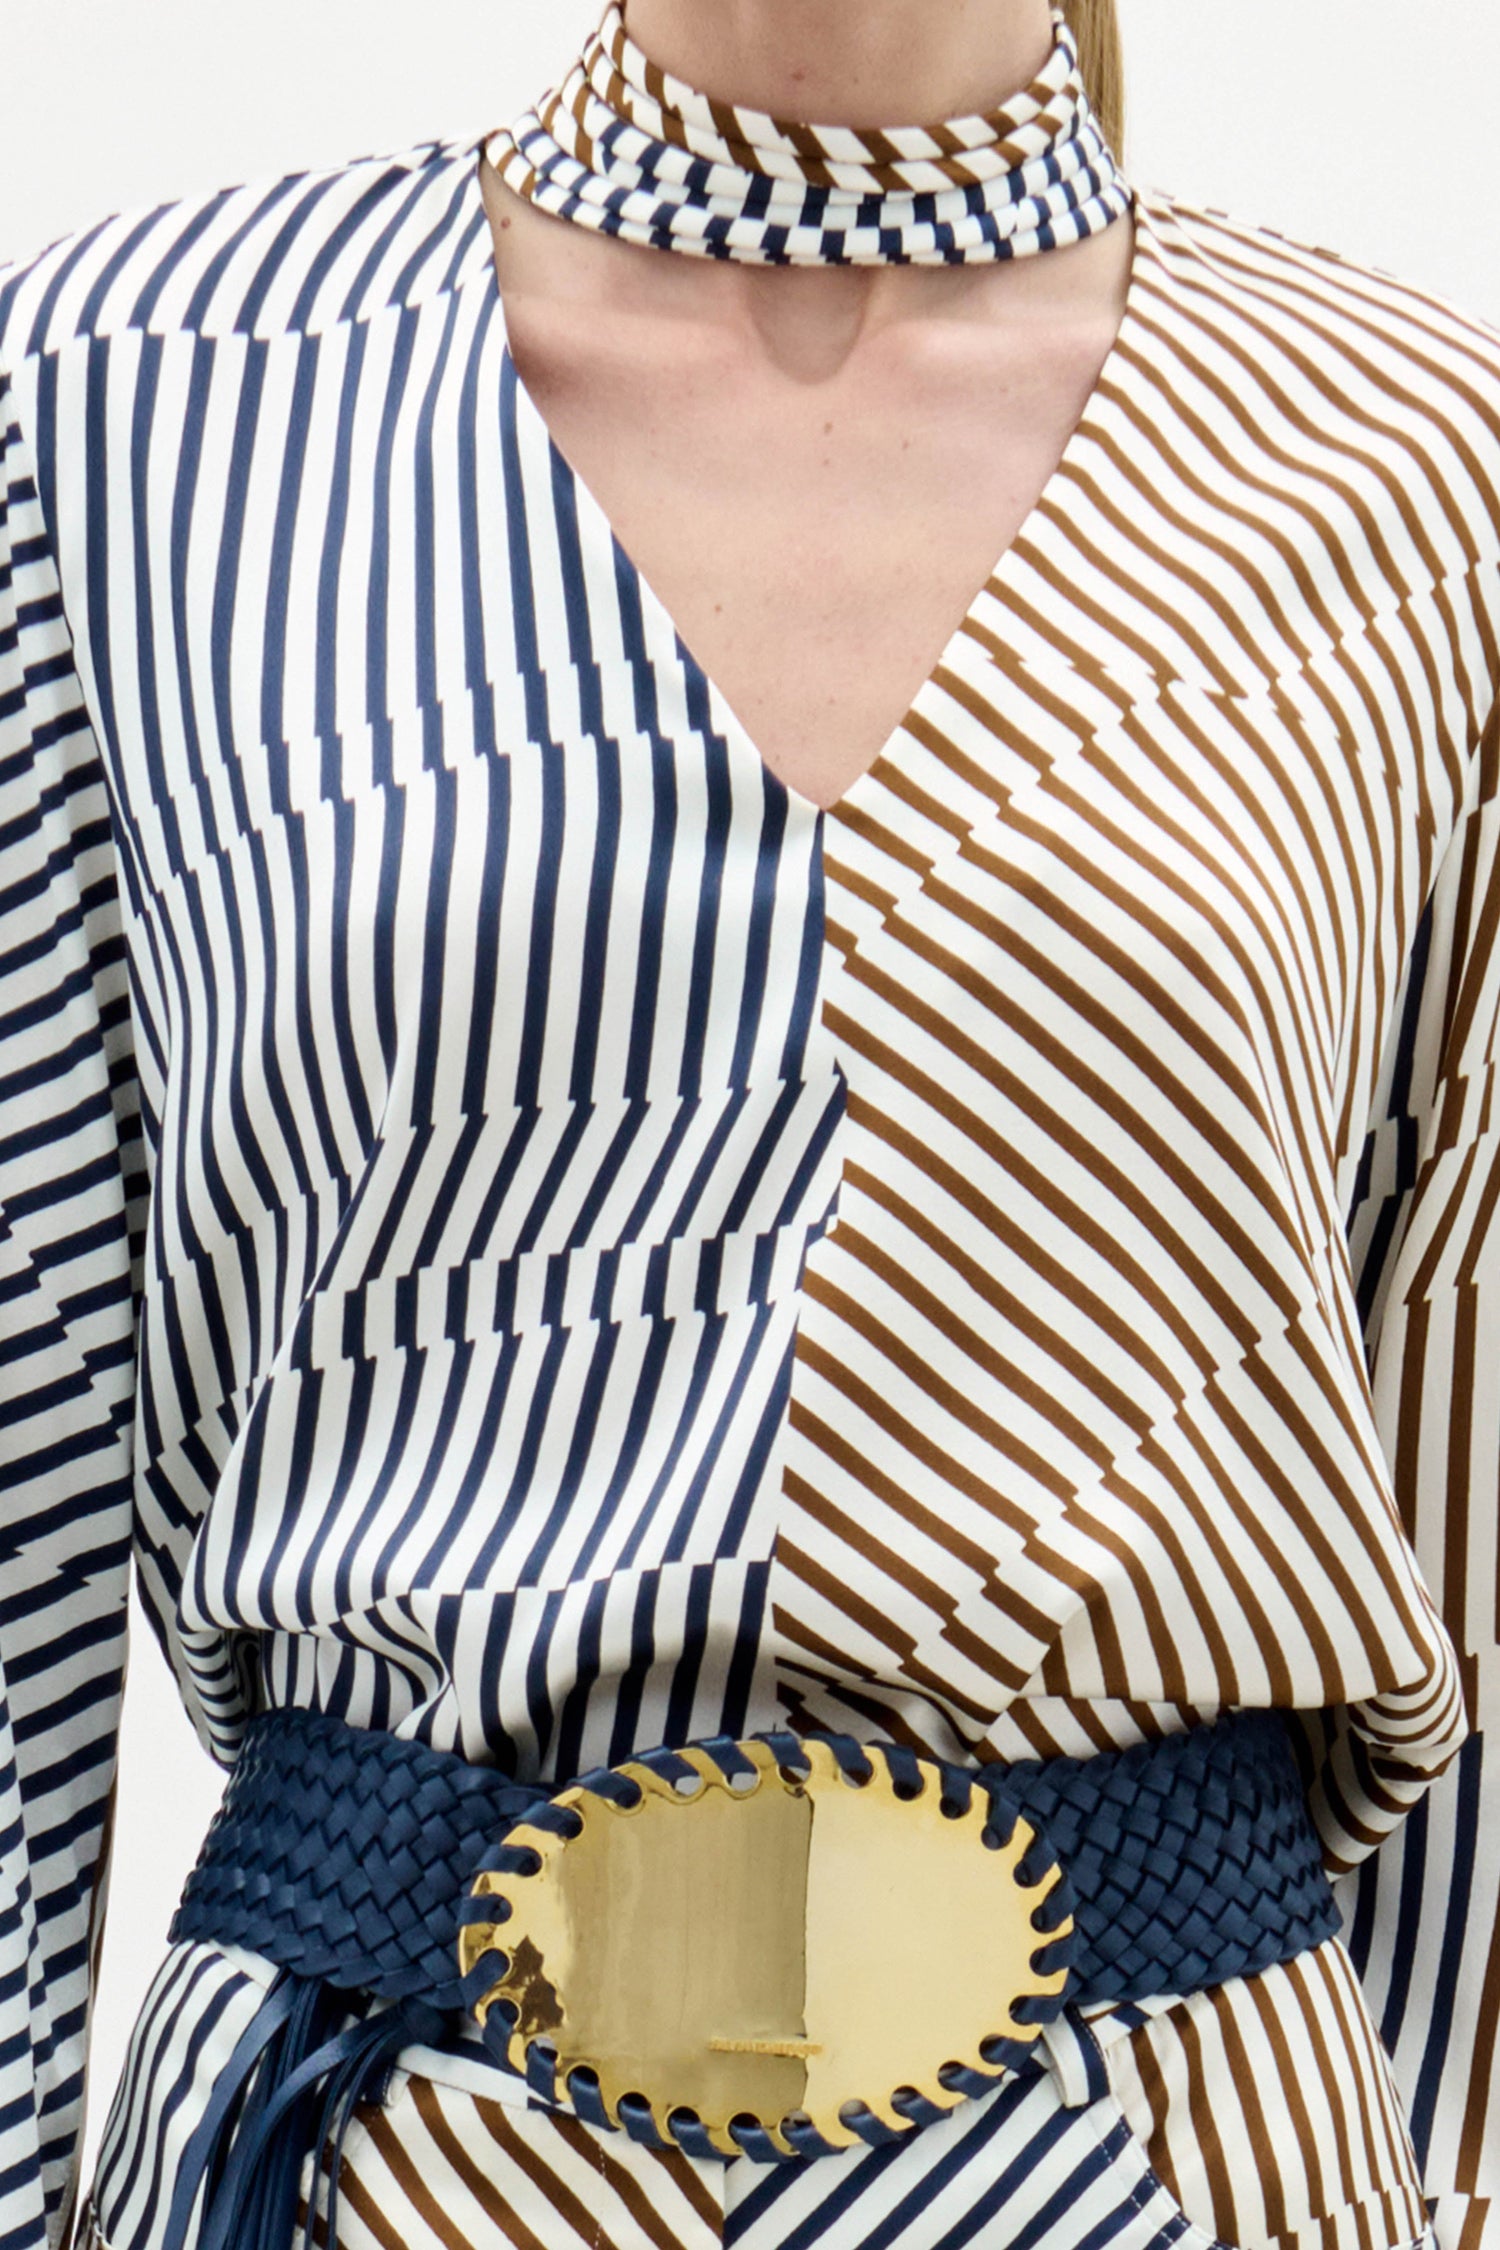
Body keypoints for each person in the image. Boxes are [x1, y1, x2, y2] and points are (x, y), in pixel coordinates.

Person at [0, 1, 1496, 2246]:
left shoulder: (1420, 464)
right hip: (378, 2164)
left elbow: (1472, 1514)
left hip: (1187, 2167)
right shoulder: (128, 402)